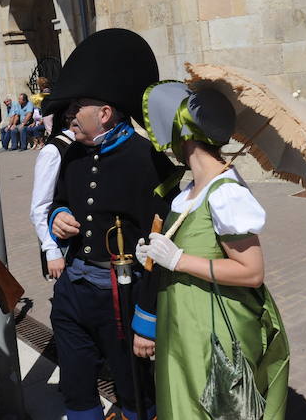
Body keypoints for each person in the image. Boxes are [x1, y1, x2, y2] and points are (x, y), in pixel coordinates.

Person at [43, 28, 177, 420]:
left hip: (123, 297)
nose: (68, 115)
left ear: (103, 113)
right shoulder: (73, 154)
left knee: (134, 387)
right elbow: (60, 200)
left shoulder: (147, 160)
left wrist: (147, 318)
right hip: (73, 291)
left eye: (76, 108)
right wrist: (58, 217)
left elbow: (160, 242)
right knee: (77, 384)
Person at [136, 82, 290, 420]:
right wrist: (154, 252)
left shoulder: (226, 193)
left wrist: (177, 259)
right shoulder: (190, 190)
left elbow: (251, 272)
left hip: (212, 331)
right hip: (181, 324)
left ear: (185, 135)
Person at [29, 115, 75, 280]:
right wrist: (51, 249)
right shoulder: (53, 150)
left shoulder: (84, 146)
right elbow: (40, 206)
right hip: (62, 243)